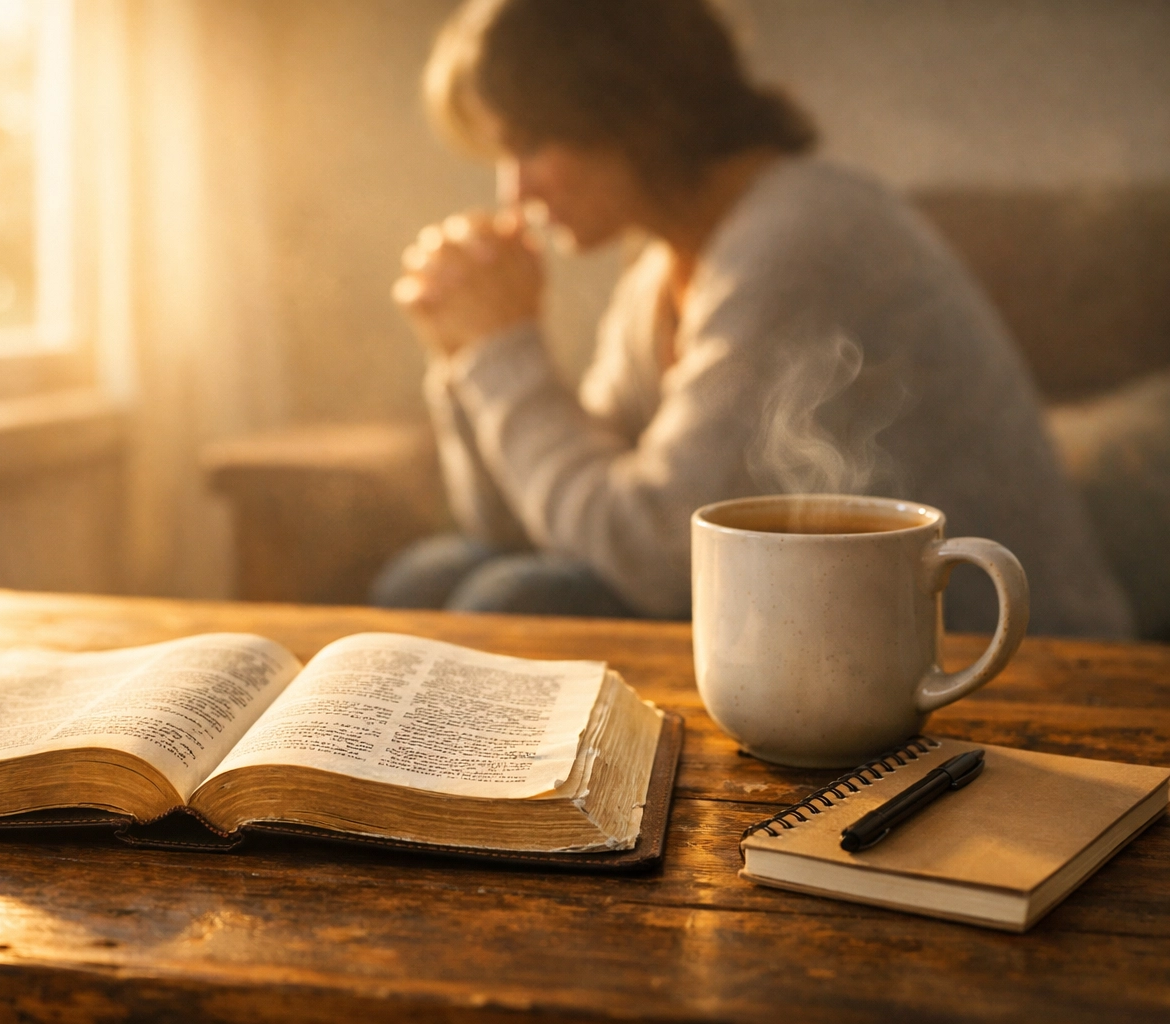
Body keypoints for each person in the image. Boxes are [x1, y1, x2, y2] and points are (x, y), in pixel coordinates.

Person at [373, 0, 1132, 637]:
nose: (515, 193)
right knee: (429, 571)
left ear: (623, 104)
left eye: (531, 143)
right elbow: (530, 523)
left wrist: (504, 350)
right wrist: (465, 356)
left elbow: (658, 557)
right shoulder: (662, 275)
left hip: (991, 643)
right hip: (835, 624)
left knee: (513, 604)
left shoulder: (801, 234)